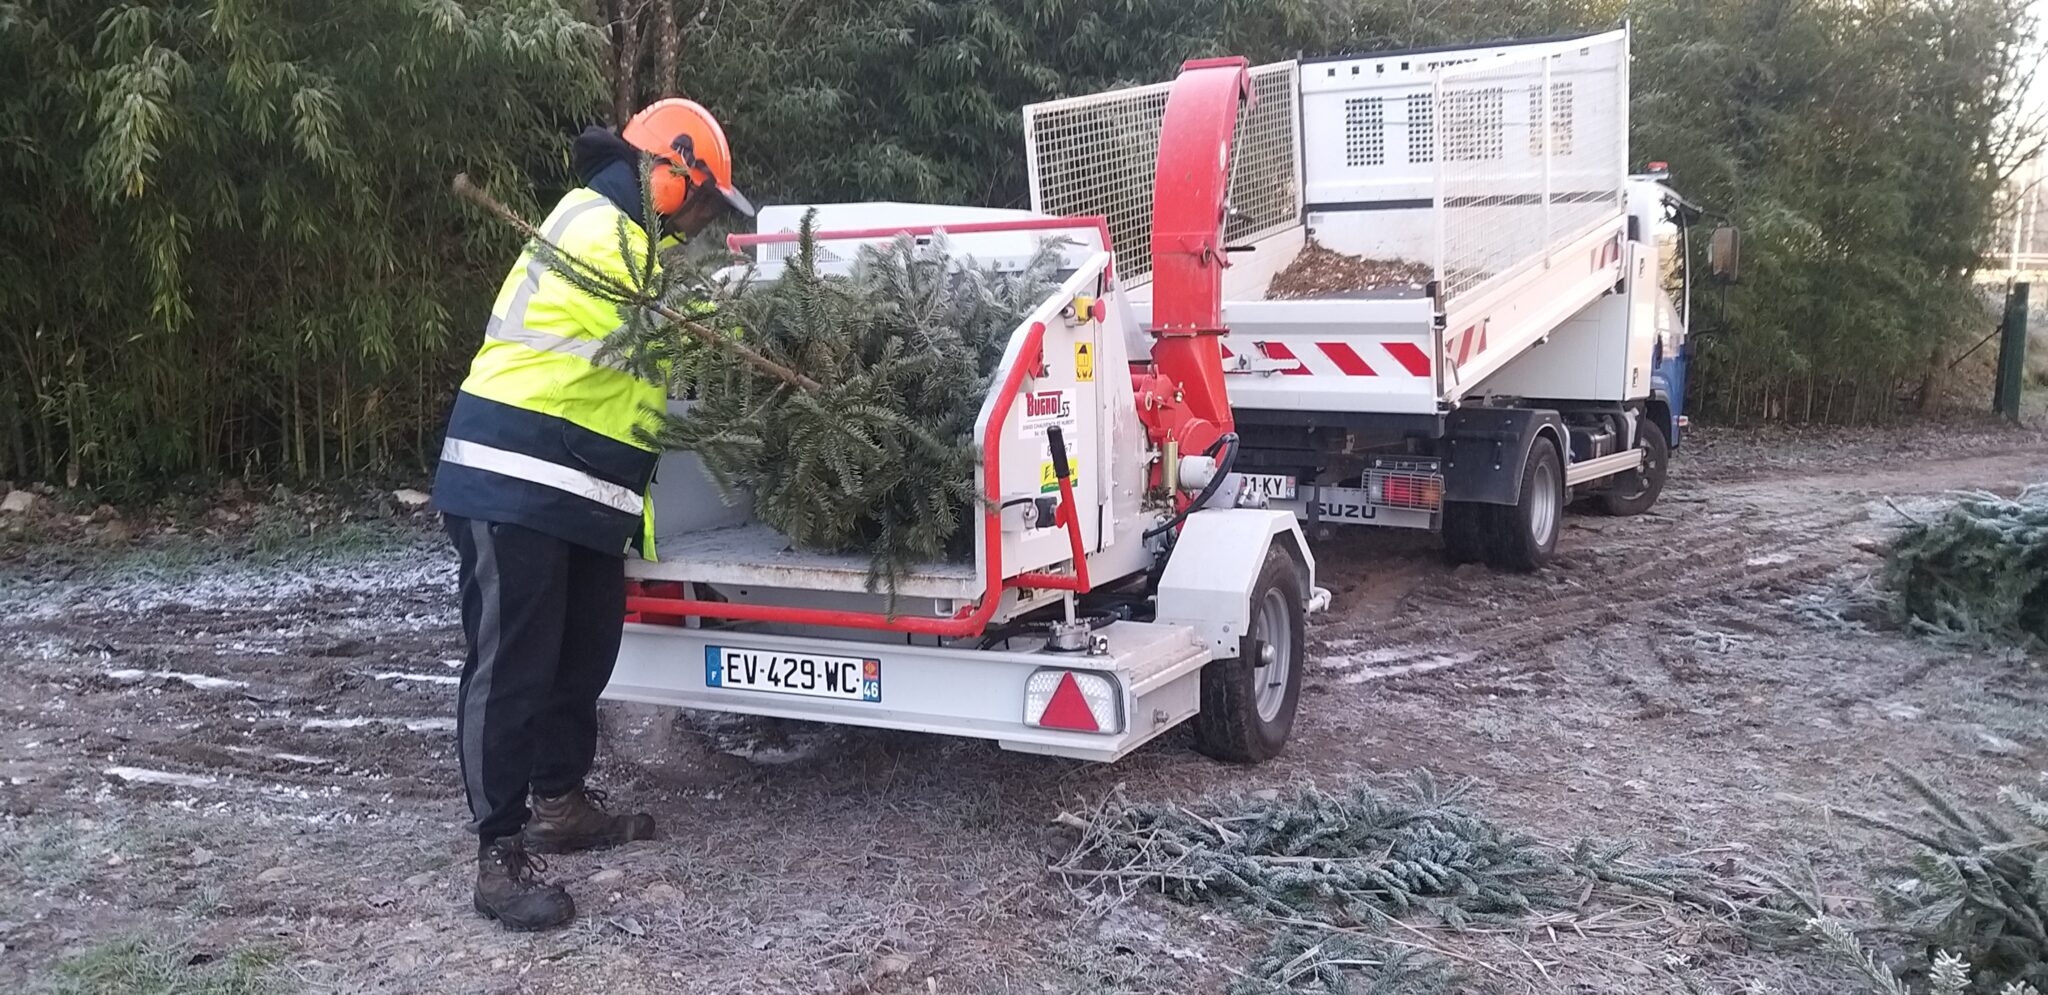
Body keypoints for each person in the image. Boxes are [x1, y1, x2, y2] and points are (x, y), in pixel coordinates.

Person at [430, 100, 753, 931]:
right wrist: (745, 323)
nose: (704, 221)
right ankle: (497, 851)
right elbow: (652, 321)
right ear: (669, 170)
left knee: (584, 655)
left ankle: (562, 803)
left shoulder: (638, 240)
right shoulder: (591, 225)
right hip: (513, 480)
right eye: (706, 201)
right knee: (512, 668)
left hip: (586, 495)